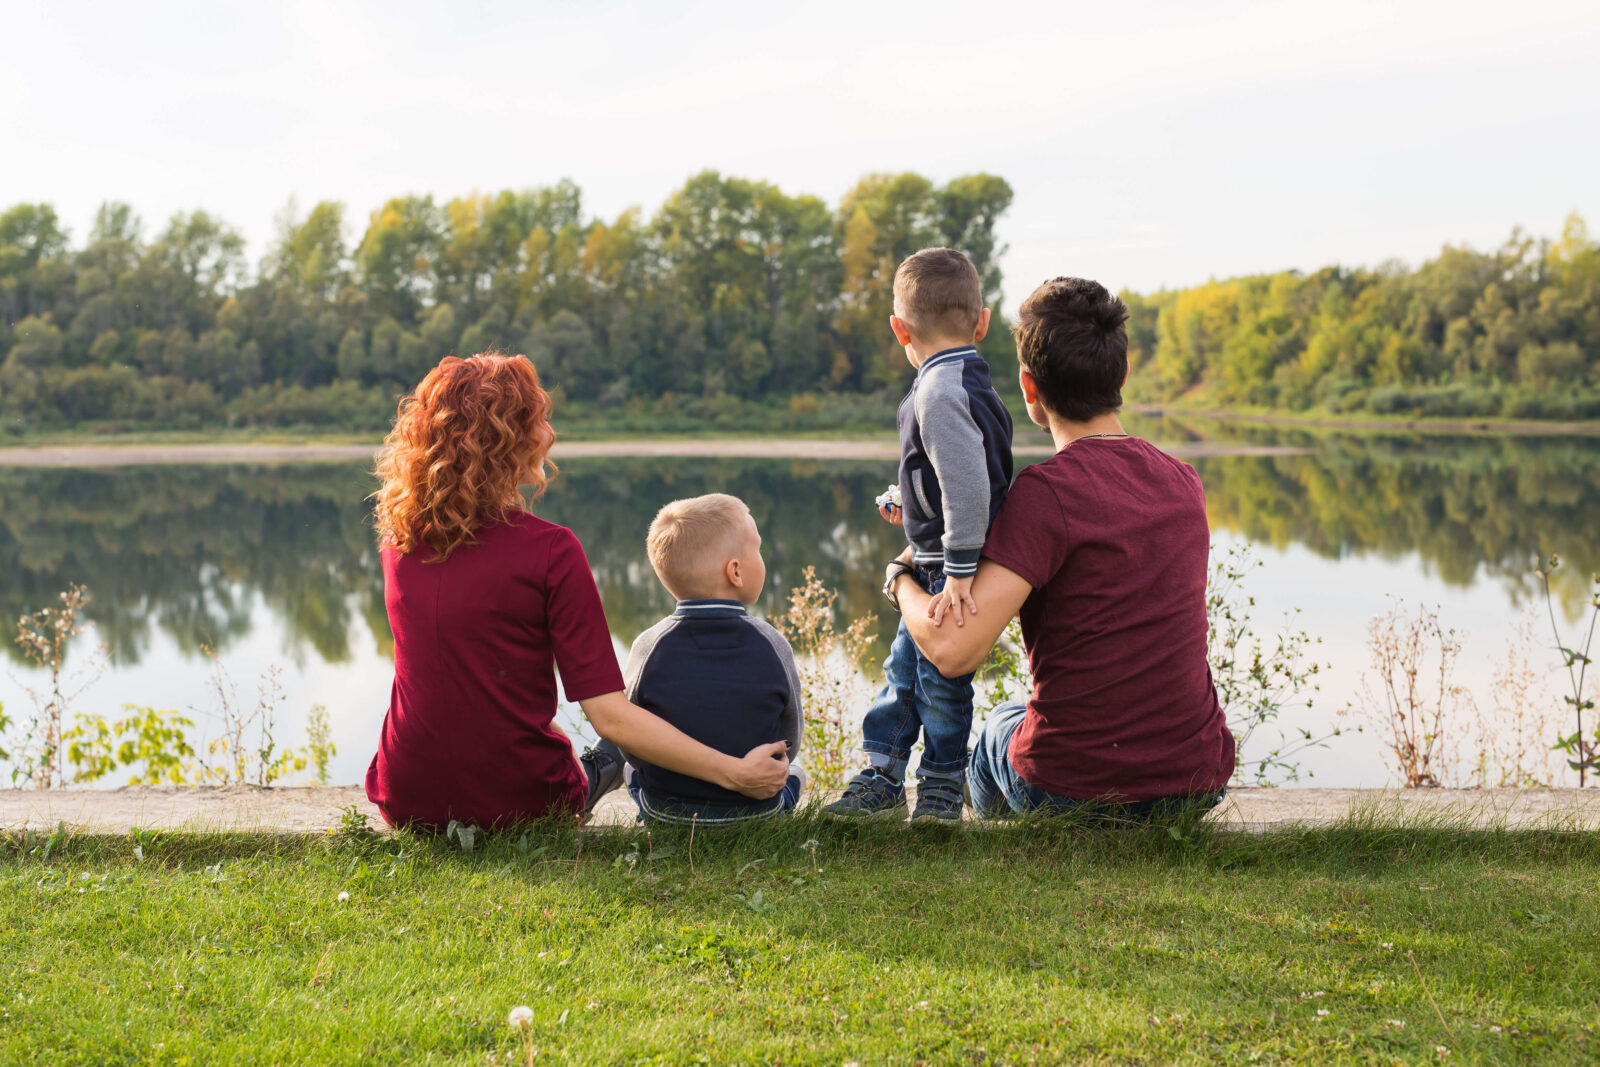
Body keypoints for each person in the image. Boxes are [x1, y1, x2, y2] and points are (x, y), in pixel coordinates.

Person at [364, 353, 790, 830]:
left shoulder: (398, 542)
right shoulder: (550, 550)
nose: (549, 436)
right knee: (609, 749)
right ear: (506, 441)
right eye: (539, 422)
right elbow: (609, 715)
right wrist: (735, 774)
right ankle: (602, 768)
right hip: (521, 805)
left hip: (406, 795)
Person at [885, 277, 1234, 819]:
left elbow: (954, 650)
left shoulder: (1046, 493)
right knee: (1020, 713)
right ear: (1121, 375)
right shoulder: (1184, 482)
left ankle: (1016, 840)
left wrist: (899, 576)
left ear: (1029, 389)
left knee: (1001, 725)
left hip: (1073, 788)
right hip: (1195, 781)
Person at [825, 248, 1014, 823]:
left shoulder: (937, 391)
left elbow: (968, 486)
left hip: (950, 571)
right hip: (939, 556)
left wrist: (956, 570)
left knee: (941, 680)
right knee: (902, 675)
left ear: (898, 328)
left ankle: (939, 781)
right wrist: (909, 505)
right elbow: (953, 474)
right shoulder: (967, 382)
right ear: (981, 322)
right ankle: (883, 773)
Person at [613, 493, 806, 824]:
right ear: (735, 571)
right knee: (797, 773)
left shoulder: (648, 645)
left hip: (669, 813)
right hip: (755, 811)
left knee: (631, 770)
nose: (762, 557)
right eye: (757, 550)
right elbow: (790, 735)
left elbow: (634, 744)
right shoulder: (772, 643)